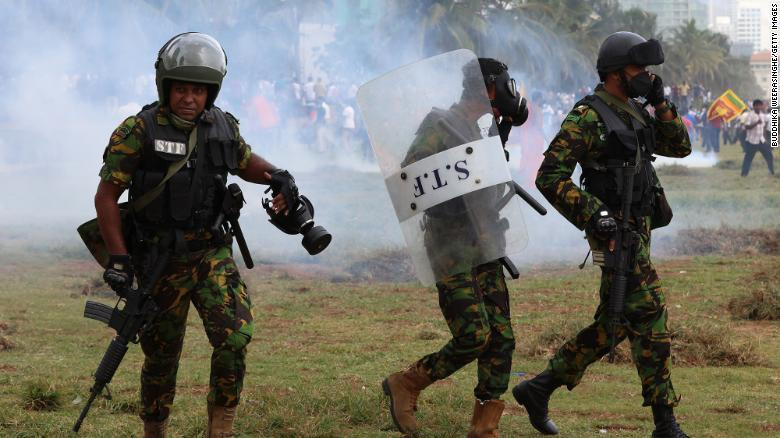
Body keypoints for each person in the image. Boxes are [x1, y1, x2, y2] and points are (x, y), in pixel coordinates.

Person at [94, 32, 295, 437]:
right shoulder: (138, 130)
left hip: (210, 255)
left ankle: (220, 428)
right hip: (159, 262)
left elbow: (244, 161)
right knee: (161, 359)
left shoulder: (222, 126)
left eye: (199, 91)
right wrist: (118, 259)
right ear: (167, 87)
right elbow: (106, 196)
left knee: (236, 339)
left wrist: (278, 176)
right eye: (182, 89)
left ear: (211, 92)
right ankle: (155, 430)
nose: (190, 98)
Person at [512, 32, 691, 438]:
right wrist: (595, 215)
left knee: (615, 325)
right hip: (615, 233)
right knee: (651, 314)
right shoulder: (588, 117)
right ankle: (666, 424)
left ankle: (539, 388)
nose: (646, 76)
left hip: (640, 229)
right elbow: (550, 176)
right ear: (614, 73)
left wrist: (661, 104)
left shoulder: (636, 110)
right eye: (638, 70)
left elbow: (681, 147)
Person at [382, 57, 528, 437]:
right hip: (451, 247)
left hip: (484, 243)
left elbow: (489, 183)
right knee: (474, 335)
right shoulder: (440, 125)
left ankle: (485, 427)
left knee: (501, 339)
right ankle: (408, 382)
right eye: (505, 84)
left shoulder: (479, 131)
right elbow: (409, 177)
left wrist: (502, 135)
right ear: (490, 88)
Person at [740, 99, 774, 176]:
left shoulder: (762, 115)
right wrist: (756, 123)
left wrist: (765, 138)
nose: (759, 107)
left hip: (761, 140)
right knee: (748, 158)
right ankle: (744, 174)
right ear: (754, 106)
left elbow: (764, 126)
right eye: (757, 105)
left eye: (760, 105)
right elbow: (747, 126)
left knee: (769, 155)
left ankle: (772, 172)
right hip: (752, 141)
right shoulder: (750, 115)